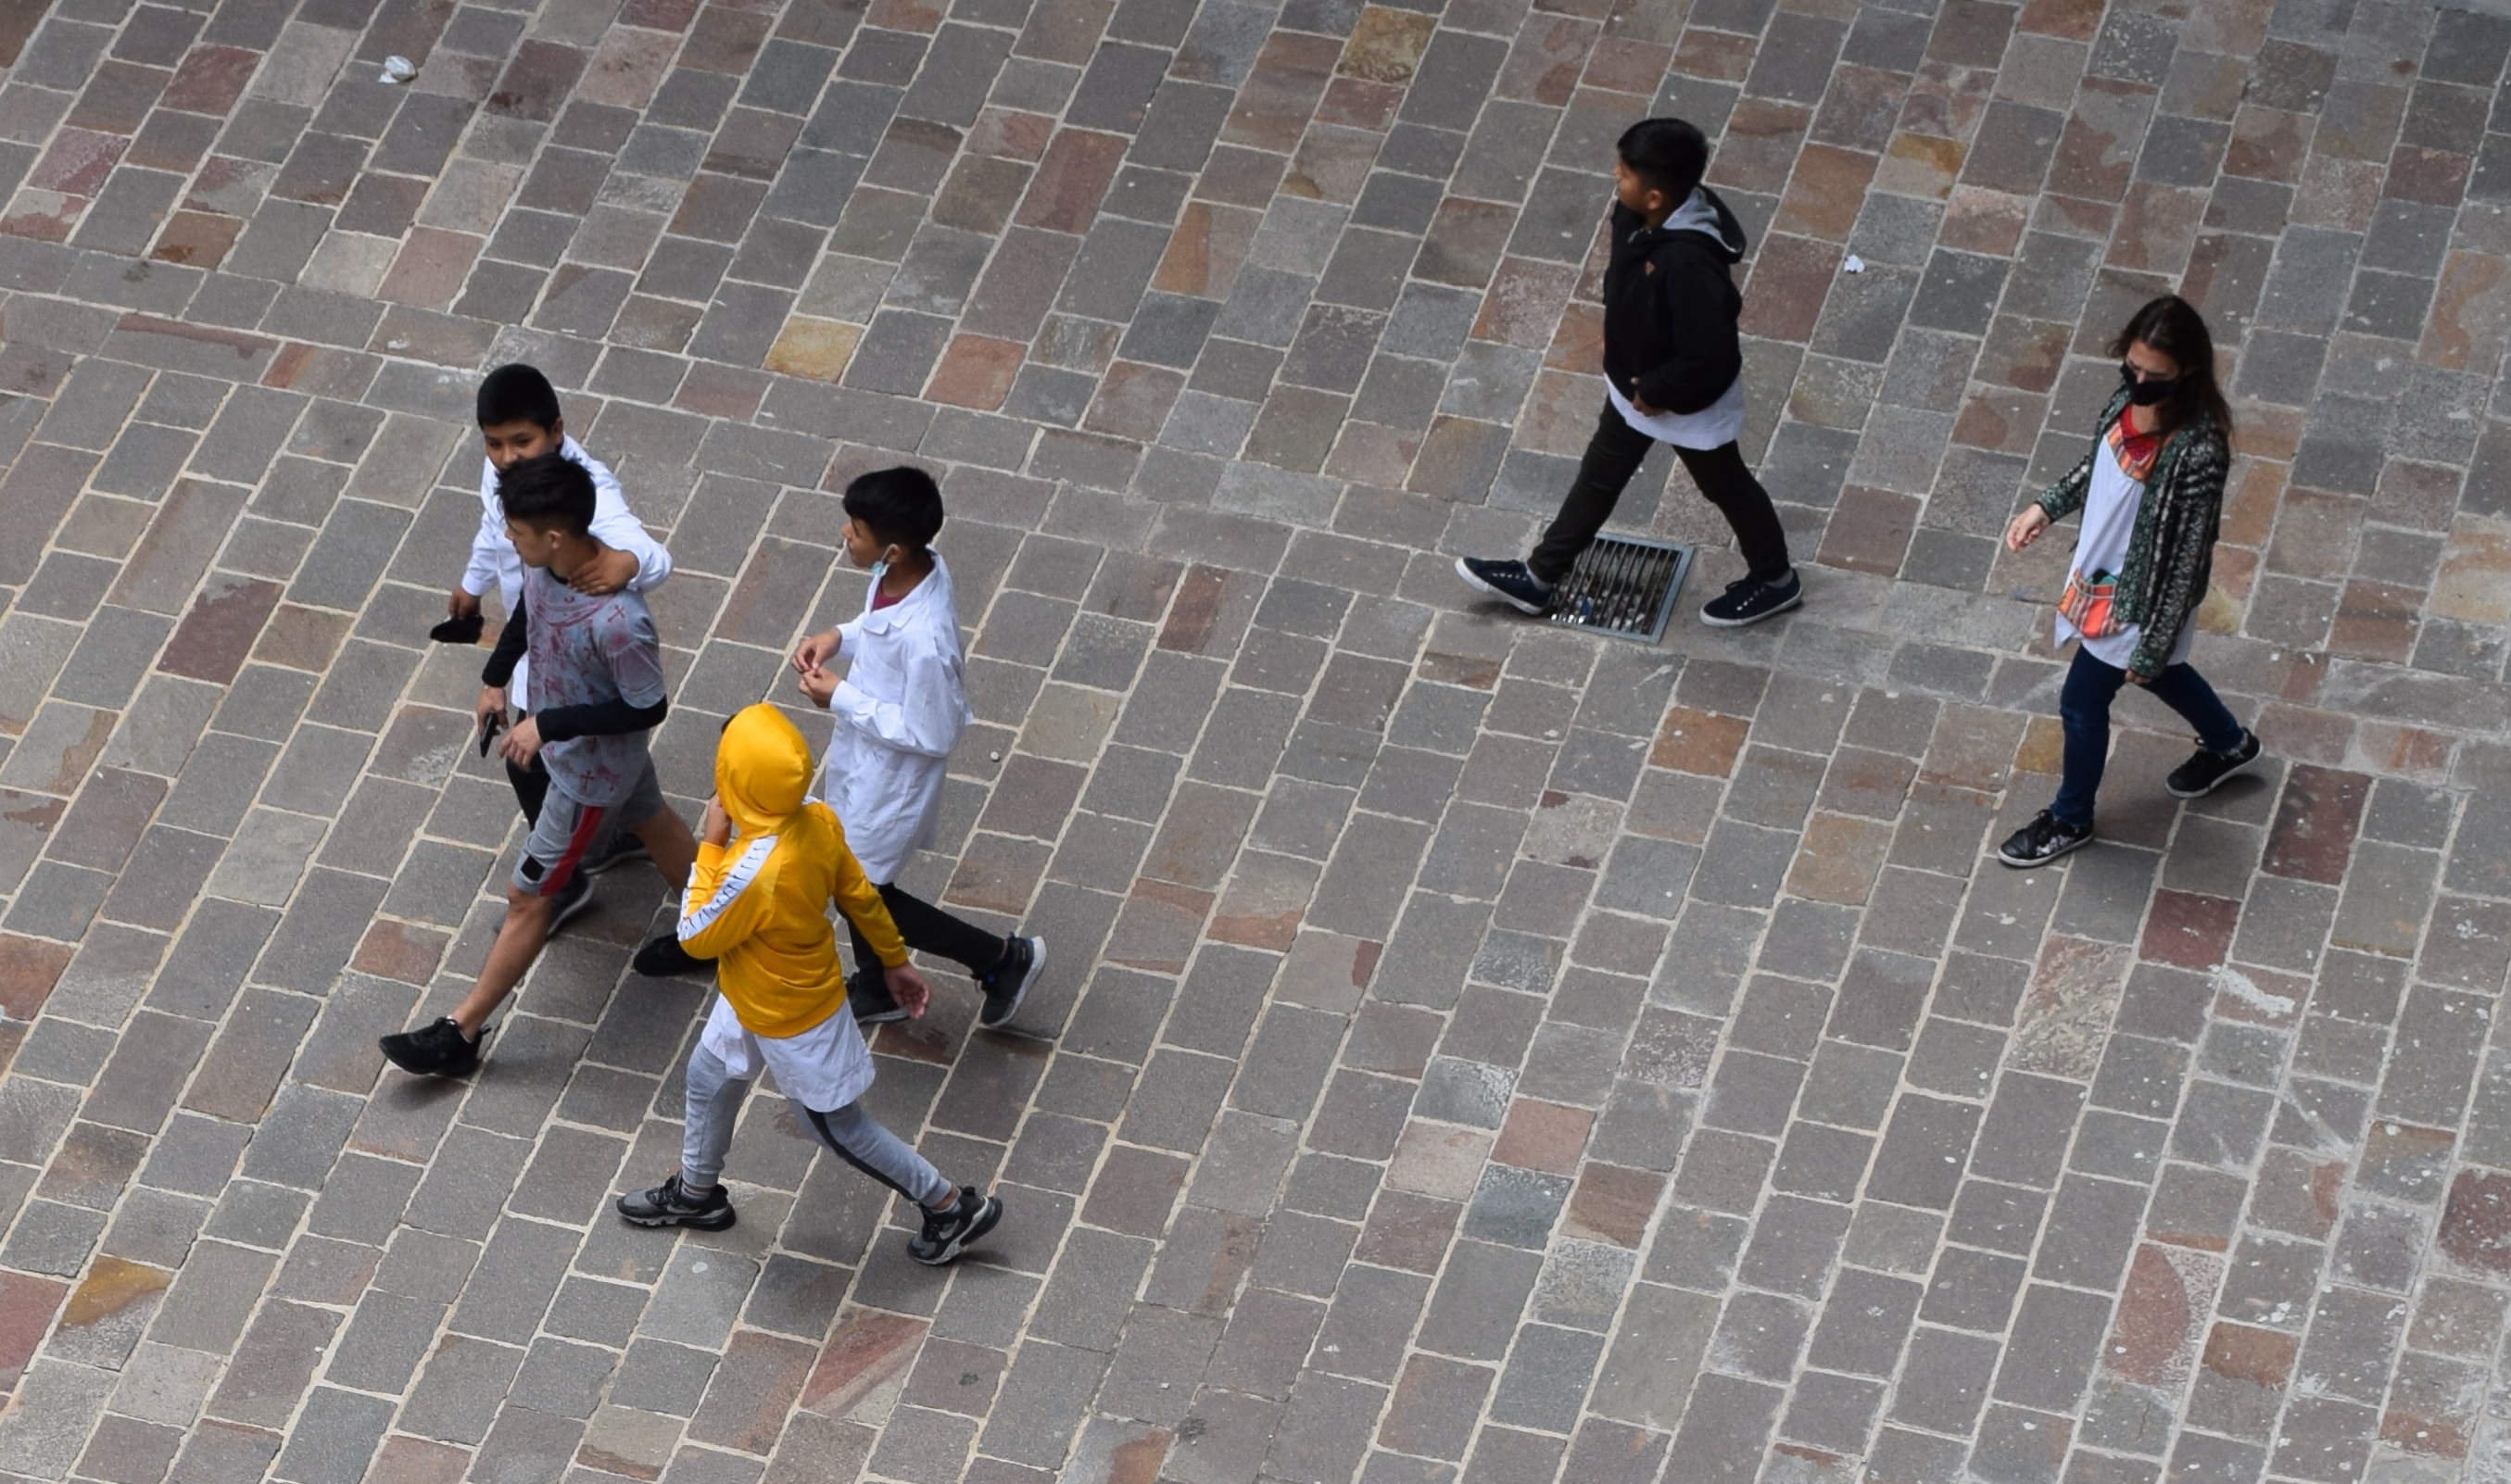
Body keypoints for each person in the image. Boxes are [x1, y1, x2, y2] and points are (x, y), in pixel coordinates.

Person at [634, 467, 1045, 1033]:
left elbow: (935, 734)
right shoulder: (909, 572)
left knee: (862, 890)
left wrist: (843, 697)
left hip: (890, 784)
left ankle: (1000, 960)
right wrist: (840, 637)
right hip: (866, 767)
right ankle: (882, 983)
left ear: (892, 549)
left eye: (854, 532)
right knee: (857, 880)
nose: (845, 538)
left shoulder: (926, 641)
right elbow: (874, 625)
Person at [614, 704, 1005, 1267]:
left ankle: (949, 1206)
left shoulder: (754, 869)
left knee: (837, 1127)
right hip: (754, 995)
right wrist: (894, 960)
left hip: (794, 1019)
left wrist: (710, 844)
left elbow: (696, 936)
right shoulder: (814, 815)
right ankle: (697, 1194)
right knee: (708, 1075)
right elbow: (859, 894)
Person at [381, 454, 700, 1076]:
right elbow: (529, 612)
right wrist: (496, 679)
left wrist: (547, 724)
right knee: (653, 820)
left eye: (517, 530)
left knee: (527, 896)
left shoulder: (619, 623)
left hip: (588, 776)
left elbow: (648, 705)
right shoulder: (548, 568)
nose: (507, 538)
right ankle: (716, 929)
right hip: (592, 760)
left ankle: (461, 1033)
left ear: (553, 536)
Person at [1455, 117, 1801, 629]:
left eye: (1625, 173)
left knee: (1726, 485)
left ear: (1656, 195)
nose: (1615, 174)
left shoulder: (1689, 264)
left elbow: (1706, 353)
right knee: (1599, 476)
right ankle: (1540, 576)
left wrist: (1657, 390)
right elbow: (1627, 284)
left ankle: (1775, 581)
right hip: (1635, 385)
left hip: (1687, 401)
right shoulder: (1637, 216)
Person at [1995, 295, 2258, 868]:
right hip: (2097, 571)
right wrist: (2047, 507)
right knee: (2156, 674)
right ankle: (2230, 743)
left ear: (2186, 370)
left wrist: (2156, 636)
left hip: (2136, 598)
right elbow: (2098, 466)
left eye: (2153, 375)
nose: (2138, 381)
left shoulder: (2198, 449)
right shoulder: (2125, 401)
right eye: (2132, 368)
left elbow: (2189, 555)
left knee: (2082, 702)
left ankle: (2070, 818)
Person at [442, 363, 673, 864]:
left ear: (557, 431)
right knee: (608, 771)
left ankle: (564, 873)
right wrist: (474, 582)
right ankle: (610, 835)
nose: (506, 458)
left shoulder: (592, 492)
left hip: (570, 653)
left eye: (521, 441)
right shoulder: (505, 472)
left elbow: (653, 556)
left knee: (531, 762)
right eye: (493, 443)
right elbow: (491, 525)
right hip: (533, 626)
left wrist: (628, 561)